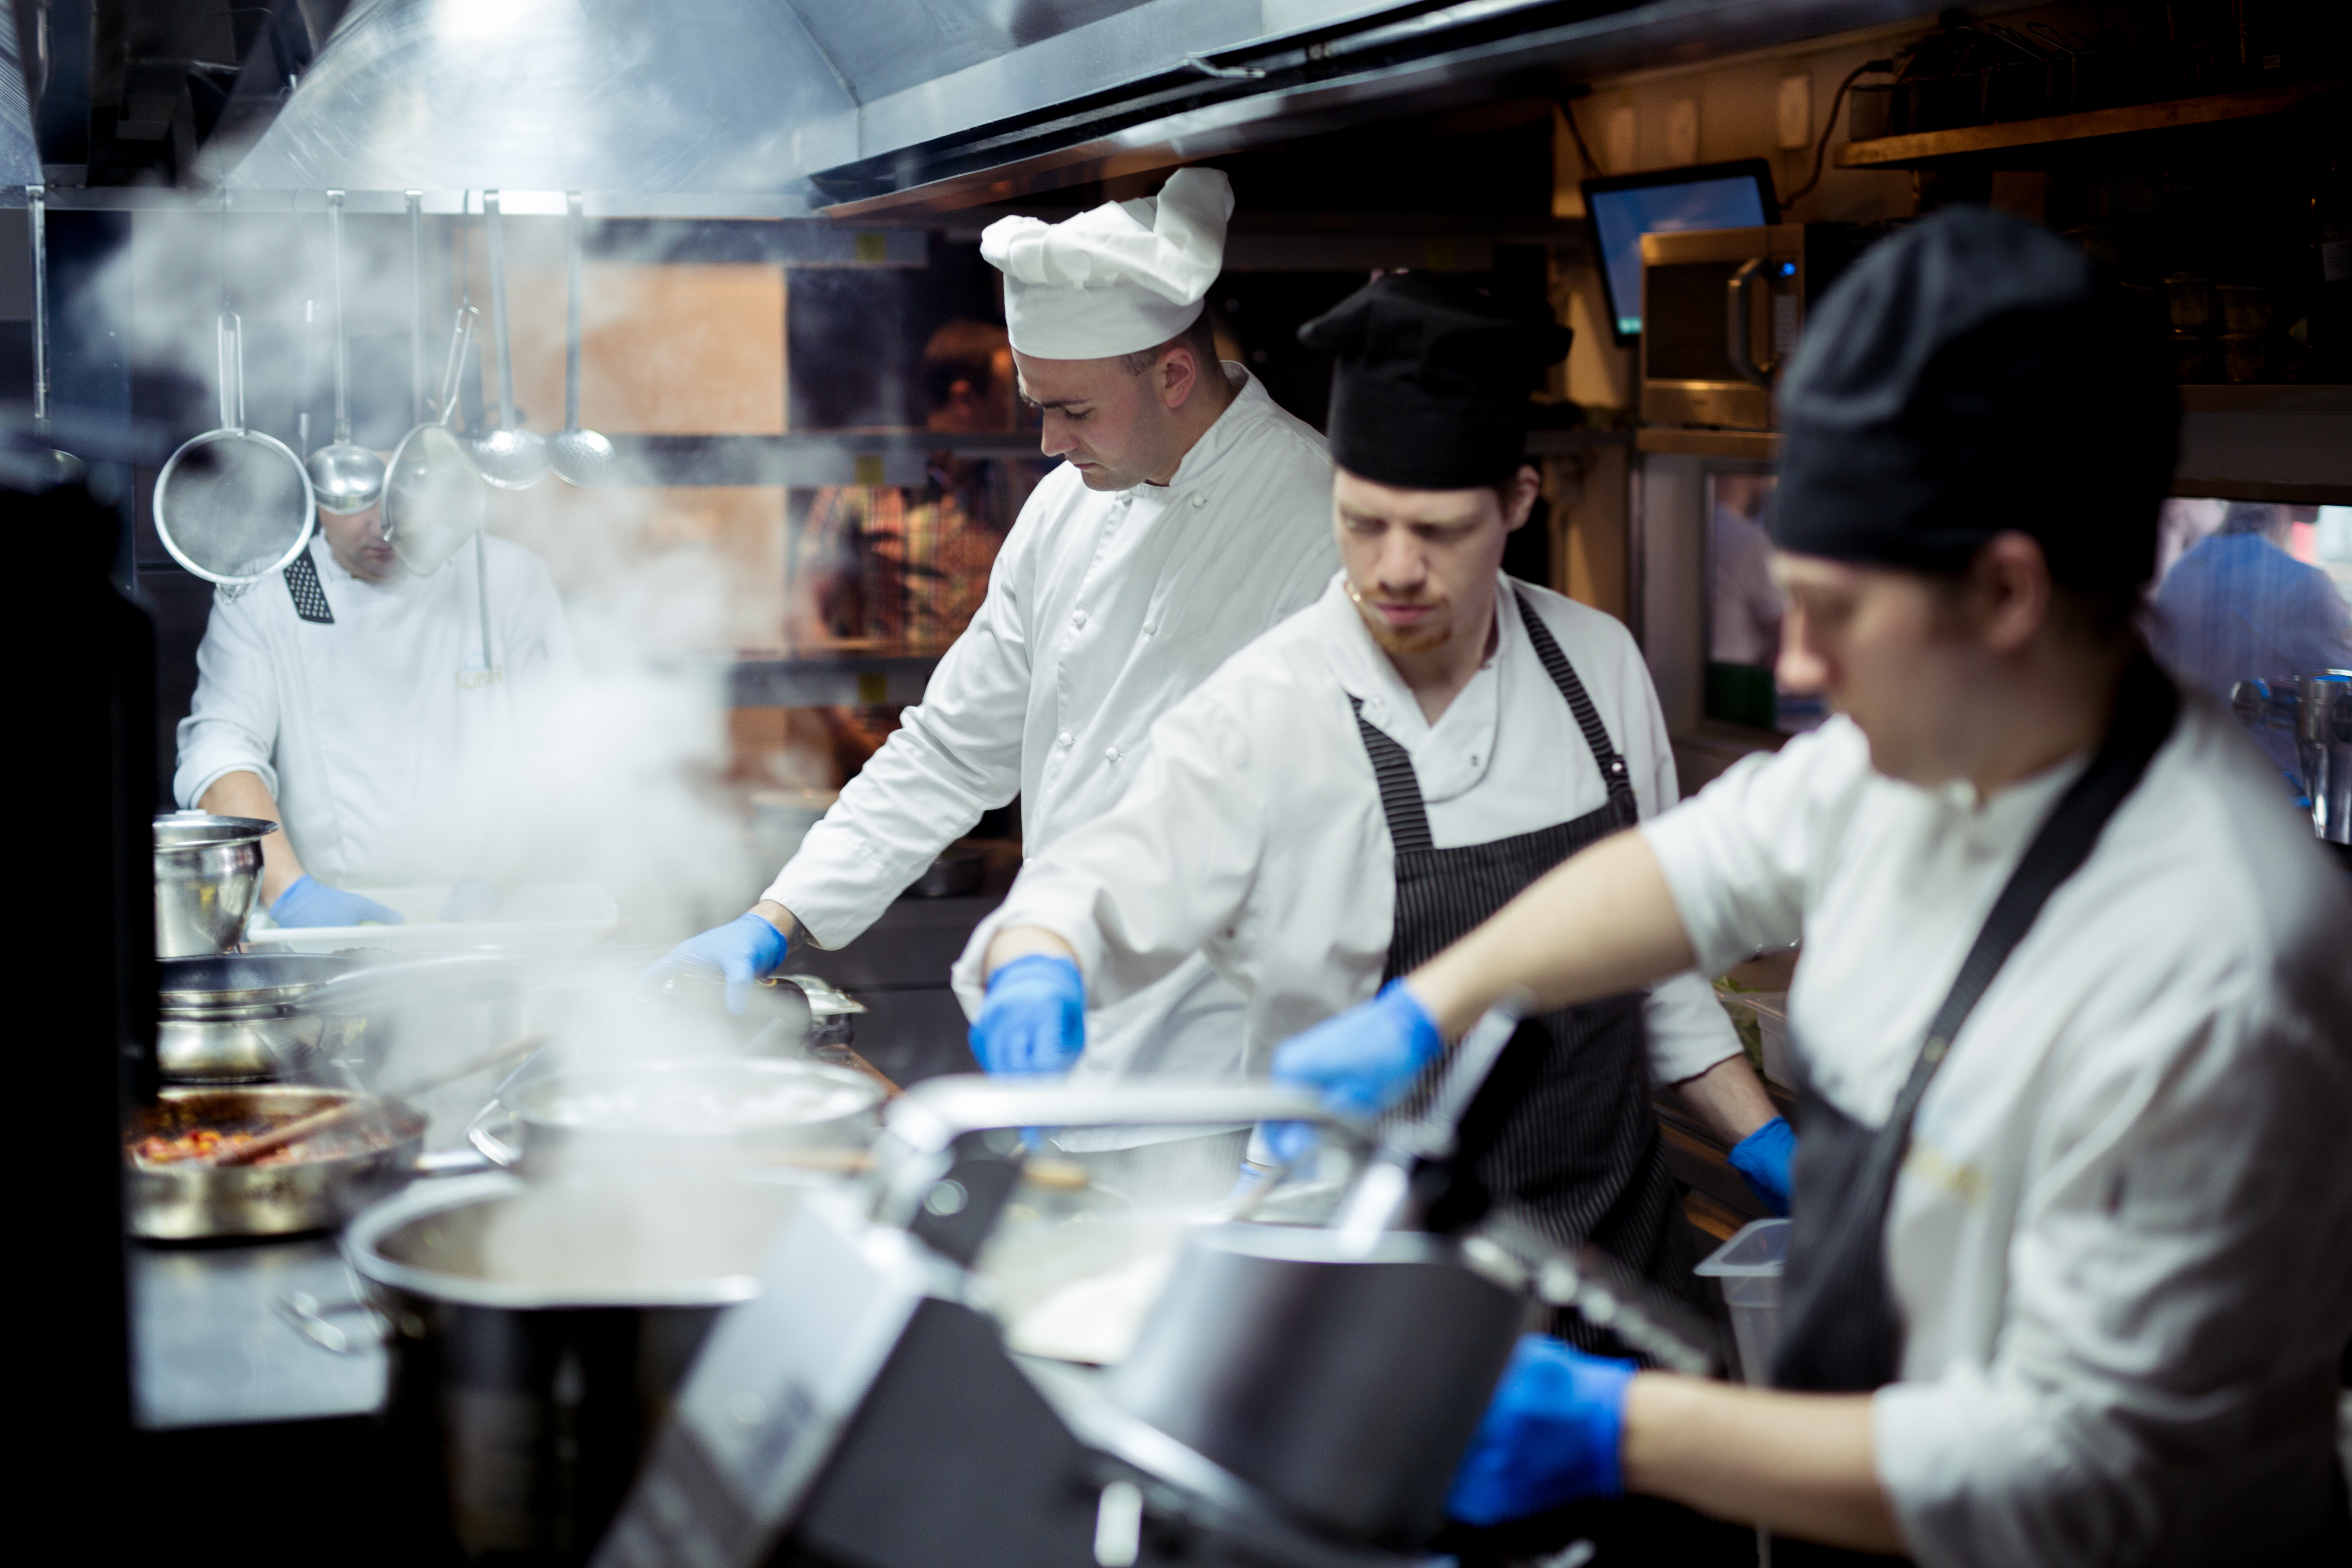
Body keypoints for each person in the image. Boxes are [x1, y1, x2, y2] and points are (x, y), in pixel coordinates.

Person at [1276, 211, 2352, 1565]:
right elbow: (1689, 871)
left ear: (2006, 594)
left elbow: (2076, 1469)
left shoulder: (2211, 953)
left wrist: (1628, 1431)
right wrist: (1433, 1004)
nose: (1791, 666)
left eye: (1830, 610)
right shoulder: (1917, 757)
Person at [954, 272, 1789, 1260]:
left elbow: (1650, 965)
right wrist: (1035, 960)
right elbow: (1097, 884)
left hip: (1608, 1258)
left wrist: (1764, 1140)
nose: (1392, 568)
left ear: (1516, 501)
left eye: (1436, 531)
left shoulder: (1595, 663)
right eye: (1360, 522)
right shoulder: (1268, 704)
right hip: (1371, 1272)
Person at [646, 170, 1340, 1159]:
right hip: (1053, 1042)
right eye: (1034, 403)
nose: (1047, 441)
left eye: (1072, 409)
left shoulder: (1316, 517)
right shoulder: (1066, 506)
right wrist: (778, 914)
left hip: (1218, 1081)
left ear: (1173, 375)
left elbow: (1333, 832)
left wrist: (1298, 1112)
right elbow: (949, 747)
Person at [175, 488, 575, 926]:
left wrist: (490, 885)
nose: (384, 524)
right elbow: (220, 754)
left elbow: (558, 750)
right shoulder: (270, 591)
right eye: (357, 496)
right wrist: (293, 894)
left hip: (493, 914)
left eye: (404, 491)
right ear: (316, 488)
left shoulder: (498, 576)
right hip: (323, 926)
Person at [789, 319, 1045, 778]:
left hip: (991, 748)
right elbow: (804, 613)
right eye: (1013, 396)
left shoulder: (1022, 487)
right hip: (881, 745)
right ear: (966, 399)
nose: (1027, 412)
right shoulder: (866, 484)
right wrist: (842, 730)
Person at [2147, 500, 2352, 782]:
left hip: (2196, 786)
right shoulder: (2304, 587)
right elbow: (2342, 719)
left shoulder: (2183, 573)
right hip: (2280, 800)